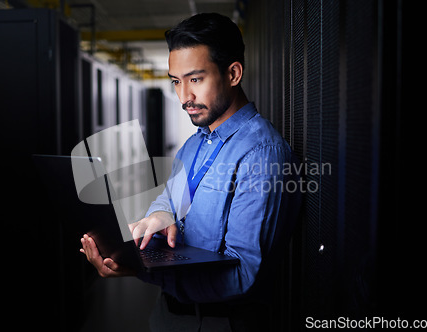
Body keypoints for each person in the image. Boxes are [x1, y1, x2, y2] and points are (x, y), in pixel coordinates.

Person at [80, 12, 301, 331]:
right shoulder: (193, 145)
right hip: (166, 315)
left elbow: (244, 277)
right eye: (176, 81)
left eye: (195, 79)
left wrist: (138, 270)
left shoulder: (262, 154)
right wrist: (154, 220)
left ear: (233, 74)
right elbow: (166, 204)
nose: (184, 97)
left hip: (219, 323)